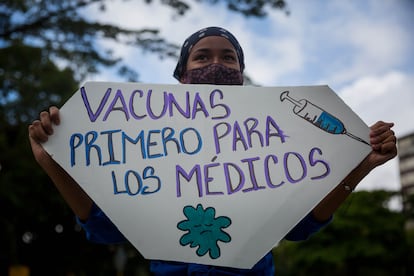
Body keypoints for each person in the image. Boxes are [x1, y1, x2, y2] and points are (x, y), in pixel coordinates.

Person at [28, 27, 397, 275]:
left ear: (241, 73)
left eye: (229, 57)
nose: (217, 65)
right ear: (182, 75)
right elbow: (105, 228)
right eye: (202, 57)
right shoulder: (142, 138)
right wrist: (50, 161)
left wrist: (360, 165)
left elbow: (300, 226)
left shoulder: (281, 136)